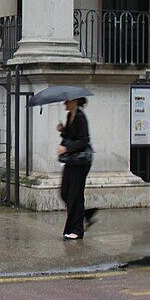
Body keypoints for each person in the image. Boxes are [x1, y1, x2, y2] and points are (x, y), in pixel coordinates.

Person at [57, 97, 95, 240]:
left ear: (74, 101)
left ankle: (77, 230)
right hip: (72, 160)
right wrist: (63, 130)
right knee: (65, 192)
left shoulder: (80, 117)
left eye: (67, 101)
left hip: (80, 162)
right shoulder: (70, 115)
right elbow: (71, 135)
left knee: (75, 195)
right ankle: (85, 215)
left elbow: (84, 140)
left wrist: (66, 147)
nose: (64, 103)